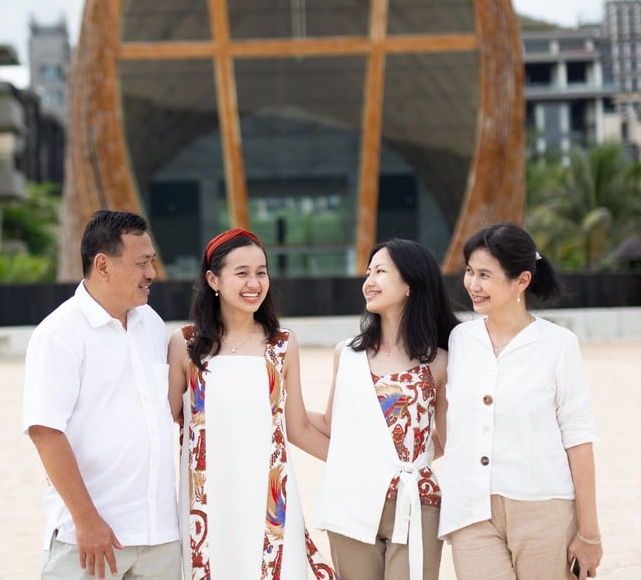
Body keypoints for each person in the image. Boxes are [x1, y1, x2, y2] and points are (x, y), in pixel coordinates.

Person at [167, 227, 339, 580]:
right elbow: (162, 421)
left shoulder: (282, 345)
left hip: (271, 503)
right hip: (207, 507)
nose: (254, 282)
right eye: (242, 273)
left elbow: (299, 428)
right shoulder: (185, 345)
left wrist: (356, 463)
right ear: (213, 279)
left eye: (261, 272)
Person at [438, 222, 603, 580]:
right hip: (471, 511)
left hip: (544, 510)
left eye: (485, 274)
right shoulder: (459, 341)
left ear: (522, 280)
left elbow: (577, 437)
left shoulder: (558, 344)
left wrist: (589, 532)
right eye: (469, 271)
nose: (472, 285)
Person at [23, 210, 180, 580]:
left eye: (152, 262)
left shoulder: (152, 324)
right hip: (91, 538)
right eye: (142, 263)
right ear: (103, 265)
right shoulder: (59, 333)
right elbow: (44, 431)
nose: (151, 274)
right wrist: (87, 520)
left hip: (161, 536)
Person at [310, 239, 459, 580]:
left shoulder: (440, 362)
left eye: (380, 271)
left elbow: (452, 440)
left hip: (416, 502)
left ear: (410, 283)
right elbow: (333, 425)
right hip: (352, 498)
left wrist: (411, 462)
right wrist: (280, 407)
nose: (369, 281)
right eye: (368, 272)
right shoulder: (345, 354)